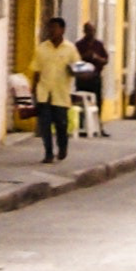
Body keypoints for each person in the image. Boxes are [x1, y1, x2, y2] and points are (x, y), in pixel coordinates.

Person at [30, 16, 81, 165]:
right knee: (44, 125)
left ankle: (63, 147)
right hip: (44, 92)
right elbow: (36, 70)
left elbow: (77, 67)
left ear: (62, 30)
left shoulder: (70, 49)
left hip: (61, 92)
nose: (52, 31)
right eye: (50, 28)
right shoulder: (41, 48)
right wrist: (33, 90)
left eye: (55, 28)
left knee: (61, 124)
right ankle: (48, 153)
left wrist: (75, 72)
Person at [75, 22, 109, 127]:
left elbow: (106, 60)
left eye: (92, 30)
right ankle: (81, 124)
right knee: (80, 102)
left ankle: (98, 124)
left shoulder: (98, 44)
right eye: (88, 30)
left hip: (95, 77)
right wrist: (85, 56)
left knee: (97, 101)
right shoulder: (79, 45)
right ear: (84, 31)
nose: (91, 33)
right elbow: (75, 60)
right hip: (82, 78)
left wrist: (96, 57)